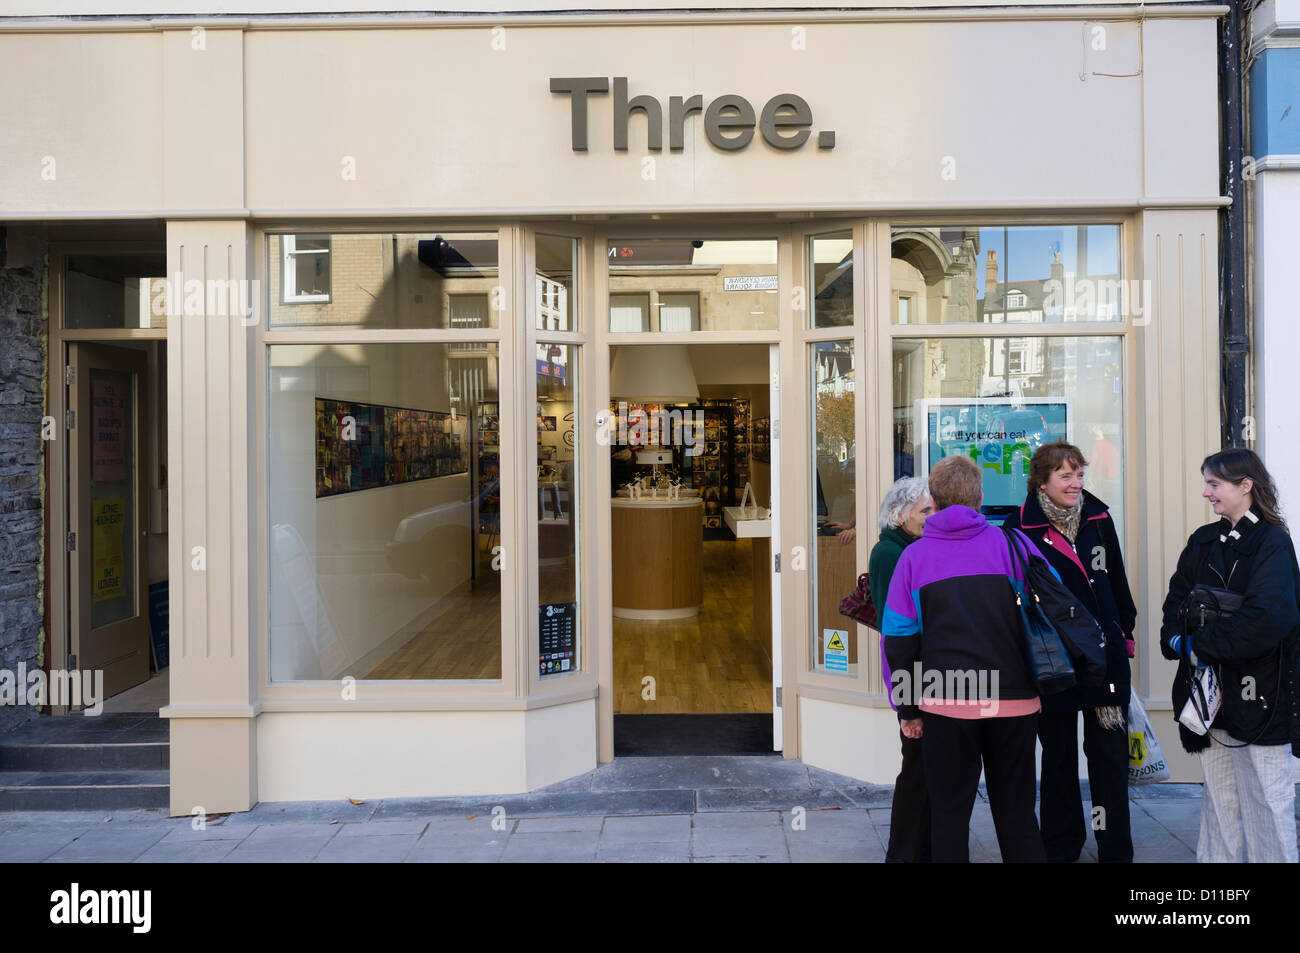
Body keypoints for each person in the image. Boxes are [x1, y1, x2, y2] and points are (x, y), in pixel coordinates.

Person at [882, 455, 1048, 863]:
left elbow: (899, 643)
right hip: (1014, 699)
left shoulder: (913, 559)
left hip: (946, 701)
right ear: (980, 498)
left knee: (949, 815)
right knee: (1018, 814)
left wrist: (908, 710)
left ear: (934, 503)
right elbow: (1054, 613)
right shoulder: (1015, 546)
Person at [1159, 448, 1300, 862]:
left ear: (1246, 486)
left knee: (1267, 801)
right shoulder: (1203, 542)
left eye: (1214, 484)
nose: (1207, 493)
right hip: (1208, 696)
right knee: (1218, 800)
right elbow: (1176, 602)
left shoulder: (1273, 543)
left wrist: (1200, 645)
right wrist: (1175, 641)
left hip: (1262, 695)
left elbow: (1269, 617)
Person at [1002, 441, 1137, 863]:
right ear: (1041, 481)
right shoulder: (1018, 528)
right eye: (1065, 476)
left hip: (1104, 657)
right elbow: (1014, 597)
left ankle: (1114, 848)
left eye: (1079, 475)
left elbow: (1117, 581)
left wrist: (1124, 630)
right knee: (1058, 761)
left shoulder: (1098, 518)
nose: (1076, 483)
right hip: (1053, 660)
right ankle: (1061, 847)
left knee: (1108, 762)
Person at [869, 477, 934, 862]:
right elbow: (897, 625)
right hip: (911, 669)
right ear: (900, 514)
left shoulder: (913, 547)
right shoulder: (891, 553)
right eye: (925, 510)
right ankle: (907, 852)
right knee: (916, 766)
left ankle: (921, 847)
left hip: (922, 670)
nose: (932, 517)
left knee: (924, 765)